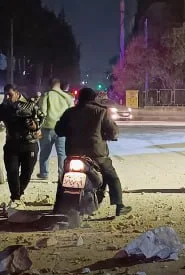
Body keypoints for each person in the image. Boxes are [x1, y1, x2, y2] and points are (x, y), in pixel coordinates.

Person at [56, 87, 131, 216]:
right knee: (111, 176)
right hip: (96, 154)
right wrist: (108, 136)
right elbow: (113, 132)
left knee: (63, 177)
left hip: (73, 152)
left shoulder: (70, 112)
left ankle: (58, 207)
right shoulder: (101, 112)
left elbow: (59, 130)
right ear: (93, 98)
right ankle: (119, 205)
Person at [0, 84, 41, 211]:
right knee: (12, 172)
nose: (7, 97)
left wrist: (35, 126)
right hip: (12, 145)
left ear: (17, 93)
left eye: (10, 94)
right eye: (5, 95)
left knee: (27, 172)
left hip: (29, 144)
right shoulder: (3, 108)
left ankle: (18, 194)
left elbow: (40, 119)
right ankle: (15, 198)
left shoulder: (30, 105)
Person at [36, 79, 73, 180]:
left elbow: (42, 112)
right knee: (62, 153)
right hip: (62, 129)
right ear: (59, 85)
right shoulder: (67, 97)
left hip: (48, 128)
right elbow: (71, 112)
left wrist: (38, 127)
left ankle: (44, 173)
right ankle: (62, 174)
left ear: (50, 85)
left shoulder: (46, 95)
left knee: (45, 152)